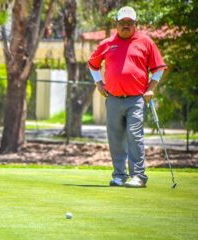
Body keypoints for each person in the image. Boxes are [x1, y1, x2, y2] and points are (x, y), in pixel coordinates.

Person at [88, 6, 166, 188]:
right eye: (122, 23)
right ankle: (120, 175)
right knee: (115, 137)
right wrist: (98, 83)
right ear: (116, 24)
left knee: (134, 136)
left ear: (135, 24)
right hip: (113, 98)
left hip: (136, 99)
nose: (125, 26)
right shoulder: (107, 44)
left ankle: (138, 176)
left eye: (129, 23)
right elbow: (93, 65)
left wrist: (150, 88)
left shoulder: (146, 42)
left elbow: (159, 68)